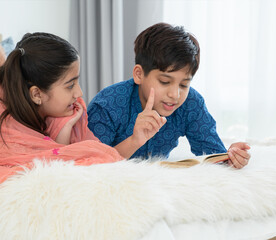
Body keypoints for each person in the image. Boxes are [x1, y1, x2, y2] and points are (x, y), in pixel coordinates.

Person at [0, 32, 123, 231]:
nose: (80, 93)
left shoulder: (51, 102)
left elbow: (56, 148)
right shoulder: (1, 122)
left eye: (77, 81)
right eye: (70, 85)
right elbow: (56, 156)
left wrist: (66, 124)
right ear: (37, 94)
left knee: (2, 81)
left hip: (21, 98)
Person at [87, 22, 251, 168]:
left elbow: (213, 154)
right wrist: (134, 141)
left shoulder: (191, 102)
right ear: (139, 74)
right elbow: (88, 166)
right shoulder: (106, 106)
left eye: (184, 84)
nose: (175, 94)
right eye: (165, 82)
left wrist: (231, 157)